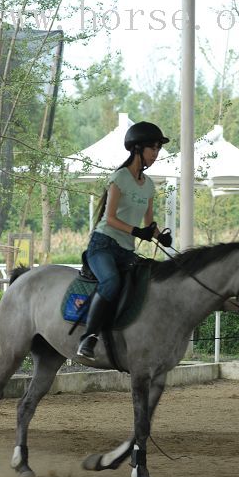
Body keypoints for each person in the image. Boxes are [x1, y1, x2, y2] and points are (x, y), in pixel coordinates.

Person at [77, 121, 172, 360]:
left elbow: (149, 224)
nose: (156, 154)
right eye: (153, 149)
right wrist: (136, 232)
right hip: (103, 245)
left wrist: (161, 236)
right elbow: (109, 219)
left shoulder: (148, 185)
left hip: (126, 250)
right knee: (110, 282)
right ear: (138, 149)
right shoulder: (119, 177)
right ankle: (88, 337)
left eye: (158, 149)